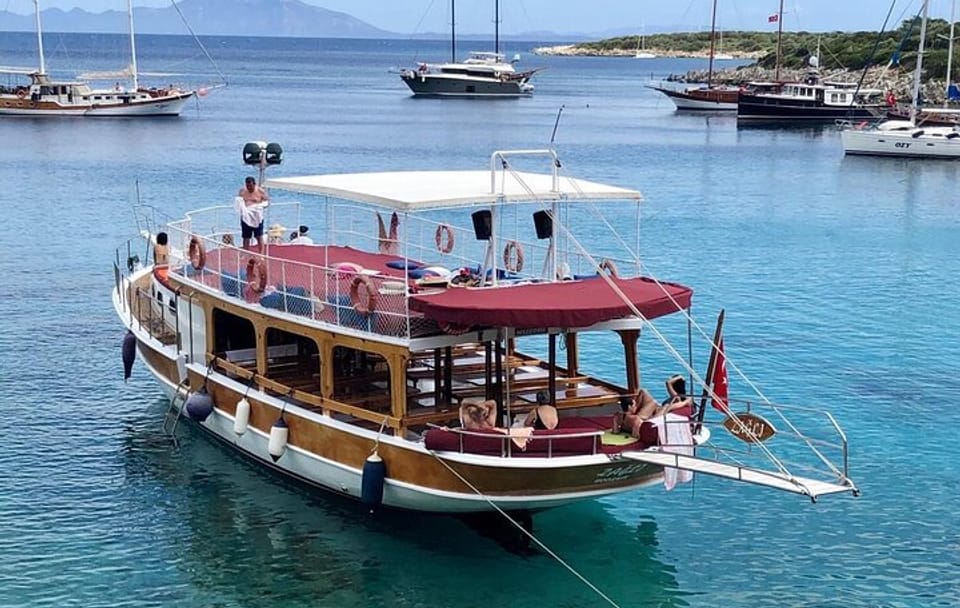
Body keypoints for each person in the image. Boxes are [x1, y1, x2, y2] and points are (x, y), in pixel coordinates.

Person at [620, 378, 693, 437]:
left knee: (654, 402)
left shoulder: (677, 398)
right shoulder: (674, 397)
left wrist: (679, 377)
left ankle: (636, 418)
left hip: (656, 415)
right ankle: (633, 411)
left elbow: (668, 383)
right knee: (643, 391)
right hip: (655, 410)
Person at [236, 176, 269, 251]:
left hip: (256, 217)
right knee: (246, 237)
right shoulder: (242, 191)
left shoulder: (260, 191)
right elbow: (238, 202)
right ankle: (246, 253)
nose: (249, 188)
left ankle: (261, 254)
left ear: (254, 184)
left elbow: (267, 202)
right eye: (247, 186)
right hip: (246, 217)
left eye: (250, 186)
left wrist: (258, 207)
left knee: (259, 236)